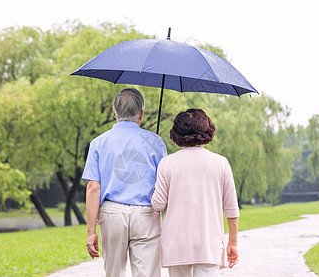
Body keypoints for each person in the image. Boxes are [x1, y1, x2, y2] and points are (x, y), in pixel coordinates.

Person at [83, 88, 167, 277]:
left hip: (112, 214)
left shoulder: (98, 143)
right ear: (141, 114)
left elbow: (93, 188)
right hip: (146, 215)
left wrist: (91, 231)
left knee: (113, 273)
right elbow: (163, 184)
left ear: (114, 112)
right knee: (147, 273)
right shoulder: (156, 142)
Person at [151, 108, 240, 277]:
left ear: (177, 133)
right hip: (209, 243)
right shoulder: (221, 163)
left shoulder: (166, 163)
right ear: (207, 130)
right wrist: (233, 243)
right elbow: (231, 209)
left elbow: (158, 204)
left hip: (177, 245)